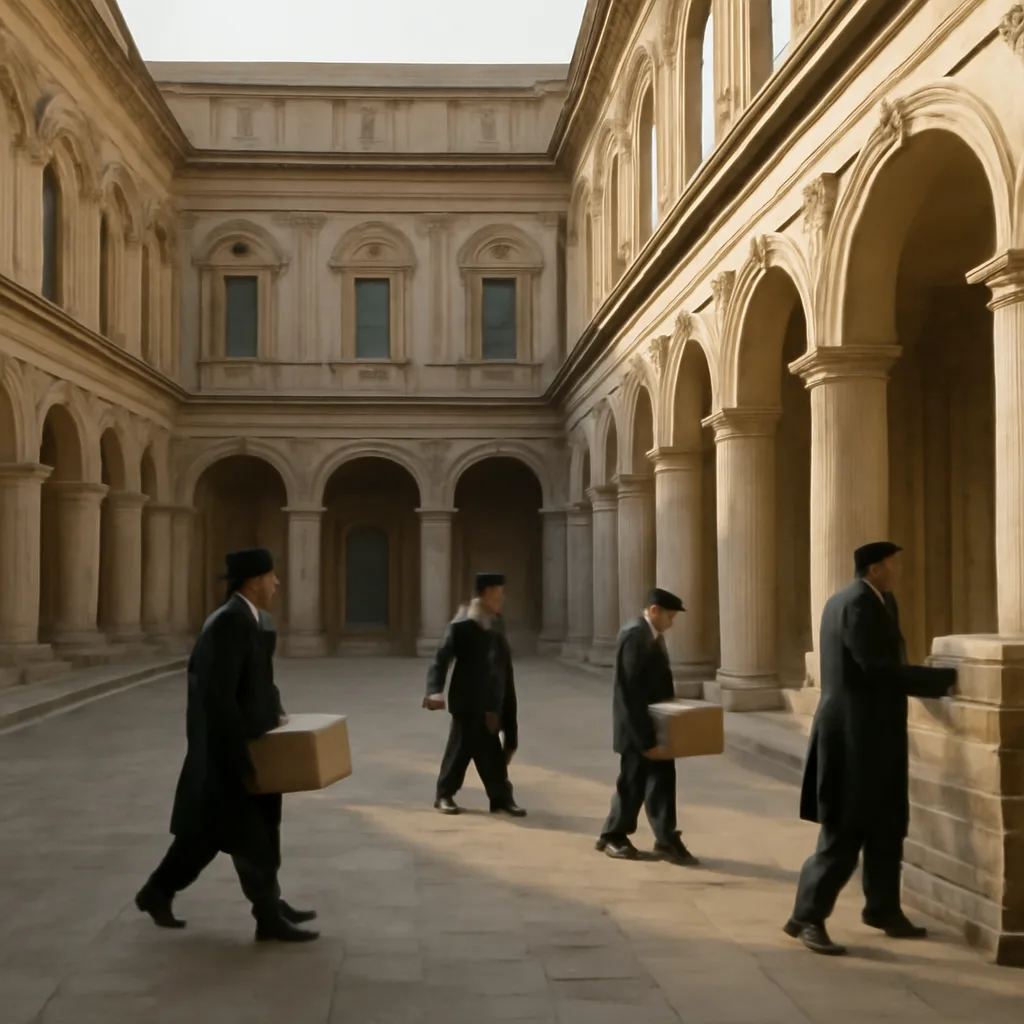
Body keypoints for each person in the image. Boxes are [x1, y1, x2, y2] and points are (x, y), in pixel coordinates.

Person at [135, 548, 319, 943]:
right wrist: (238, 755)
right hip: (229, 754)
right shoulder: (228, 624)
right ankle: (267, 915)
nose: (277, 583)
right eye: (271, 576)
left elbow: (257, 685)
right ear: (253, 581)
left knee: (208, 836)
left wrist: (277, 716)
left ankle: (157, 892)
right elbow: (218, 697)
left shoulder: (252, 621)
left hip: (252, 747)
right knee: (251, 837)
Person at [785, 541, 957, 956]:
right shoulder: (857, 604)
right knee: (844, 832)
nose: (899, 570)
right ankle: (807, 916)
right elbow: (875, 668)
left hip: (877, 736)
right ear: (875, 568)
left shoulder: (879, 599)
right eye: (894, 564)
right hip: (852, 739)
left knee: (886, 825)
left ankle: (883, 909)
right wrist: (942, 679)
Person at [595, 588, 699, 866]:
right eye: (670, 616)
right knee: (632, 784)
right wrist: (645, 740)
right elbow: (631, 693)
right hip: (637, 730)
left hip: (656, 726)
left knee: (663, 782)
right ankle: (612, 835)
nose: (671, 623)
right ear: (654, 611)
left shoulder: (652, 636)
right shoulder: (634, 635)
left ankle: (666, 837)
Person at [423, 572, 525, 818]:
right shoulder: (463, 624)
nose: (502, 598)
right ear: (485, 593)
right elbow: (441, 658)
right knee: (460, 749)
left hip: (493, 700)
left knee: (491, 753)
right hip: (468, 701)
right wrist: (435, 690)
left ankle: (501, 799)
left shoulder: (497, 622)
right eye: (498, 593)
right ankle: (444, 795)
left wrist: (506, 696)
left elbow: (504, 662)